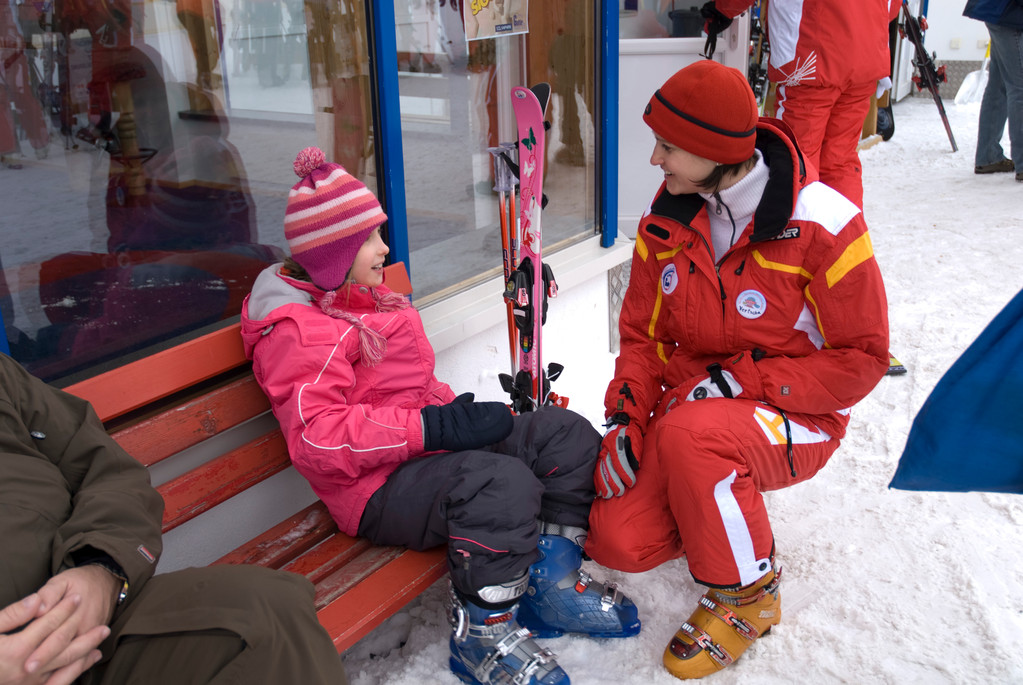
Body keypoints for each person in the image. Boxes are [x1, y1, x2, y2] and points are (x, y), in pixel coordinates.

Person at [239, 146, 640, 685]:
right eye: (370, 240)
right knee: (501, 485)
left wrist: (453, 411)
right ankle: (483, 632)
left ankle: (548, 587)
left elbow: (415, 385)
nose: (385, 248)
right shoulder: (298, 334)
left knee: (560, 435)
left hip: (422, 454)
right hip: (372, 490)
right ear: (333, 256)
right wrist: (432, 428)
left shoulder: (373, 301)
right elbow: (319, 439)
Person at [585, 60, 889, 680]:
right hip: (692, 411)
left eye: (667, 147)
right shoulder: (671, 214)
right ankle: (714, 509)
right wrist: (624, 416)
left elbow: (864, 359)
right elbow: (641, 337)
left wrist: (742, 381)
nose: (655, 161)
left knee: (693, 437)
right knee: (619, 538)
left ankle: (749, 595)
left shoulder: (824, 222)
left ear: (711, 151)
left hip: (797, 415)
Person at [0, 352, 349, 685]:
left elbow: (111, 473)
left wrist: (102, 569)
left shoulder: (6, 379)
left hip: (89, 625)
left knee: (267, 615)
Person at [705, 0, 892, 209]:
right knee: (840, 161)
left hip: (812, 55)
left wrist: (721, 9)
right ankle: (845, 238)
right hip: (865, 55)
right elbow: (892, 8)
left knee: (797, 160)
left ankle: (799, 235)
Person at [963, 0, 1023, 181]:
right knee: (1019, 87)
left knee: (999, 86)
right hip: (1007, 14)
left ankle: (989, 156)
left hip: (1000, 12)